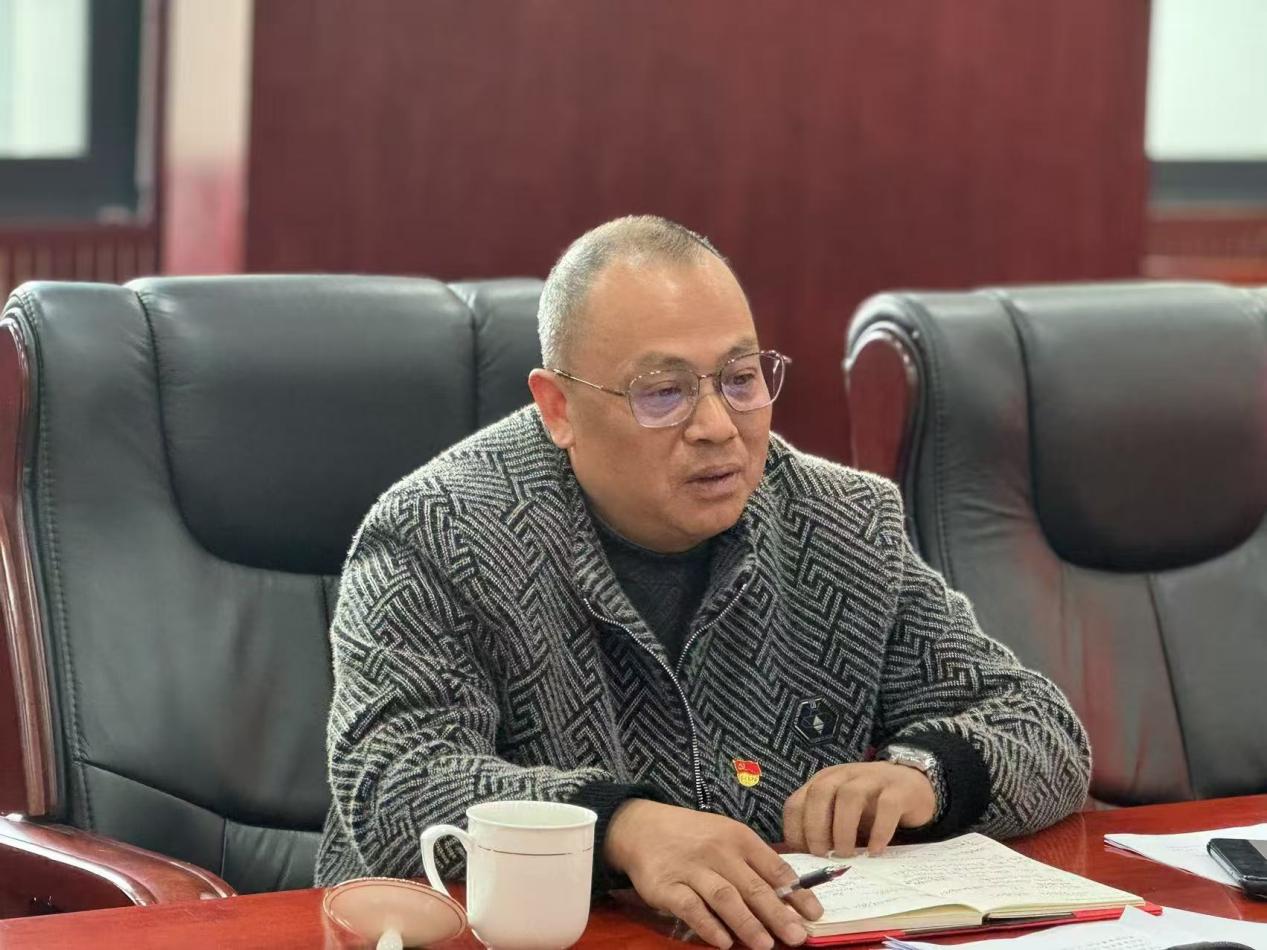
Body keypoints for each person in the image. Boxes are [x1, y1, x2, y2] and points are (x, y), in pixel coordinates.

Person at [316, 215, 1091, 950]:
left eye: (740, 378)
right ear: (558, 408)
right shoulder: (438, 532)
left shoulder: (842, 525)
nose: (718, 426)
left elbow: (1040, 729)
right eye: (663, 392)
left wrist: (924, 775)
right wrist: (618, 826)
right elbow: (393, 780)